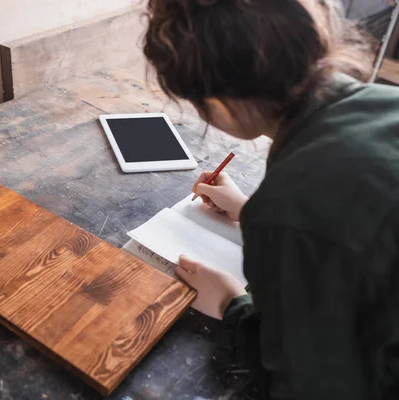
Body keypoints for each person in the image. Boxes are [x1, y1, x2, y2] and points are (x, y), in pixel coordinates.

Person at [143, 0, 399, 398]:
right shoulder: (385, 103)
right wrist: (250, 212)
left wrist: (232, 304)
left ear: (216, 103)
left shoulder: (290, 210)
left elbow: (315, 387)